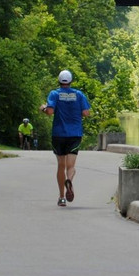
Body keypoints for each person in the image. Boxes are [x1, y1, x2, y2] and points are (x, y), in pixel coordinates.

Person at [42, 70, 91, 207]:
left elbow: (50, 111)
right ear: (71, 81)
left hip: (58, 134)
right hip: (74, 134)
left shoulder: (54, 94)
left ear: (59, 81)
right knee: (71, 166)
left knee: (61, 165)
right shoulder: (79, 94)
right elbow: (86, 113)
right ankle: (69, 180)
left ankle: (62, 197)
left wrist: (43, 108)